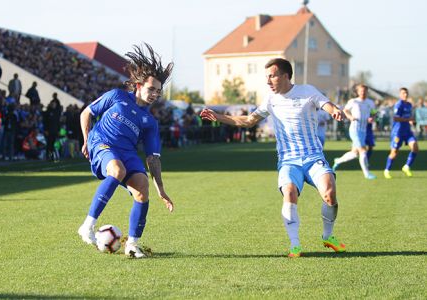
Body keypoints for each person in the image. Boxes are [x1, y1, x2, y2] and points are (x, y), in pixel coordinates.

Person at [200, 58, 346, 258]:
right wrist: (219, 117)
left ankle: (328, 236)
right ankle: (295, 245)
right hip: (288, 160)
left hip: (313, 157)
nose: (268, 81)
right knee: (289, 192)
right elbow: (248, 121)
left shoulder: (307, 91)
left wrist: (335, 111)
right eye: (266, 76)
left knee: (330, 192)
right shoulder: (270, 99)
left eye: (272, 76)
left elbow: (326, 104)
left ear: (286, 76)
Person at [77, 43, 174, 258]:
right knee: (117, 170)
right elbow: (86, 113)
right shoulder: (116, 96)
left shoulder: (150, 122)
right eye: (151, 89)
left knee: (142, 188)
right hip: (102, 142)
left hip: (127, 152)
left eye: (158, 91)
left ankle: (132, 244)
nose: (154, 94)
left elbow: (153, 158)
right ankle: (87, 226)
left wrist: (161, 190)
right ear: (138, 85)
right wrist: (86, 140)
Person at [332, 84, 376, 179]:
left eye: (364, 90)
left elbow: (374, 112)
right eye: (361, 91)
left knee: (354, 153)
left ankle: (338, 161)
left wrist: (372, 118)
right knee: (363, 150)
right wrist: (350, 117)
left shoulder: (370, 102)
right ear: (357, 92)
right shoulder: (354, 101)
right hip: (355, 129)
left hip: (363, 130)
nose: (363, 92)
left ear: (367, 91)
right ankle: (367, 174)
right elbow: (345, 110)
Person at [383, 88, 419, 179]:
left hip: (407, 131)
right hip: (398, 132)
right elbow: (396, 118)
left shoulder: (409, 105)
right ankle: (387, 170)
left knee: (415, 147)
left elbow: (408, 117)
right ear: (400, 95)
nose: (405, 94)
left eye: (406, 93)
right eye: (403, 93)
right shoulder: (398, 104)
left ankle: (406, 167)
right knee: (394, 152)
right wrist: (408, 120)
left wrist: (411, 121)